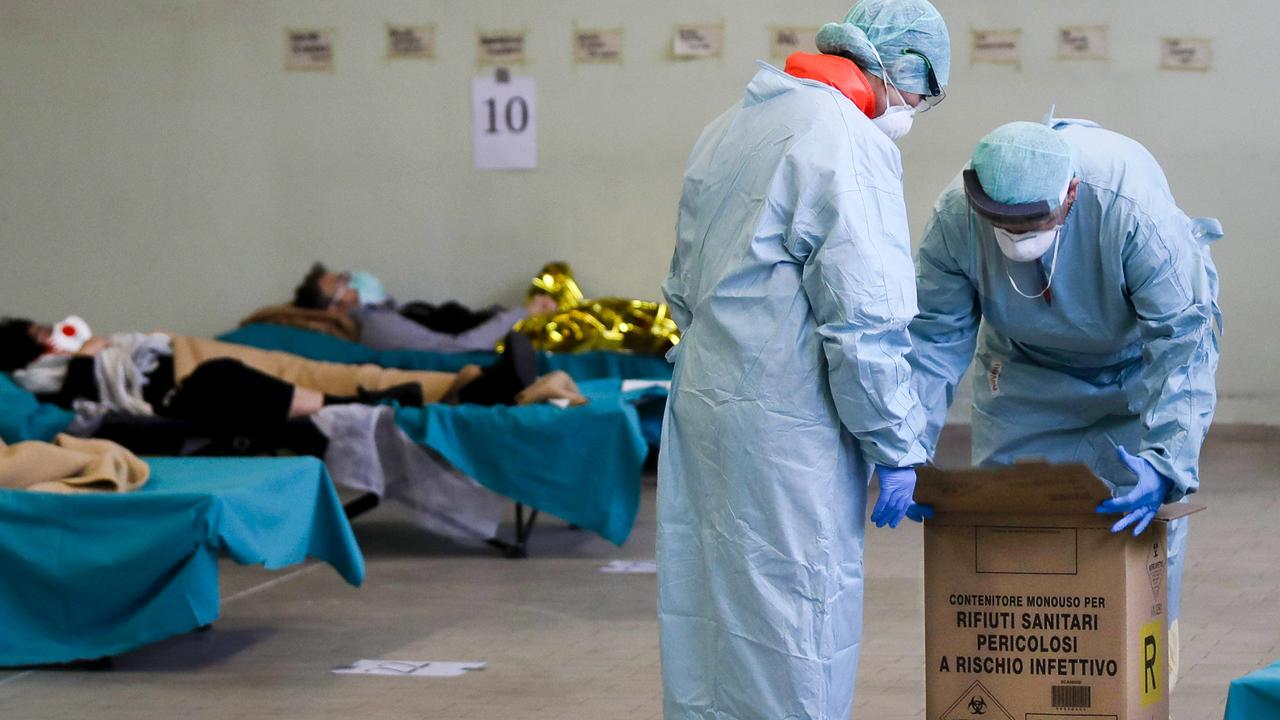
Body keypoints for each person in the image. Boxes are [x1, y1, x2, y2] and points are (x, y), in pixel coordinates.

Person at [656, 1, 950, 717]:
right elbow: (865, 321)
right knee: (795, 623)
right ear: (900, 70)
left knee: (709, 620)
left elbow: (681, 288)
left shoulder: (732, 124)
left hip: (702, 406)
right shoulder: (846, 140)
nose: (914, 108)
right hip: (789, 431)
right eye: (922, 92)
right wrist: (896, 444)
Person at [907, 116, 1221, 689]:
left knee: (1135, 540)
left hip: (1134, 372)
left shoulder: (1130, 210)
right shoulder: (956, 217)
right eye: (1000, 222)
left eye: (1033, 222)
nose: (1015, 237)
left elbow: (1183, 344)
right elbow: (934, 338)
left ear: (1070, 194)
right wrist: (906, 447)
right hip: (1025, 373)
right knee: (1008, 530)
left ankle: (1136, 689)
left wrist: (1166, 462)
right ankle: (1023, 690)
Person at [0, 318, 585, 451]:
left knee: (358, 374)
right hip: (190, 383)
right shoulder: (45, 380)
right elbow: (87, 408)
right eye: (43, 333)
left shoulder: (80, 354)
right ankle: (474, 388)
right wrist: (92, 357)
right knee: (228, 379)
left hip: (191, 356)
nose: (60, 333)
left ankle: (481, 380)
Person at [288, 263, 559, 352]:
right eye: (343, 282)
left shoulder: (386, 313)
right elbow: (459, 348)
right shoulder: (376, 326)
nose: (353, 280)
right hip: (500, 342)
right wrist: (523, 314)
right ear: (336, 309)